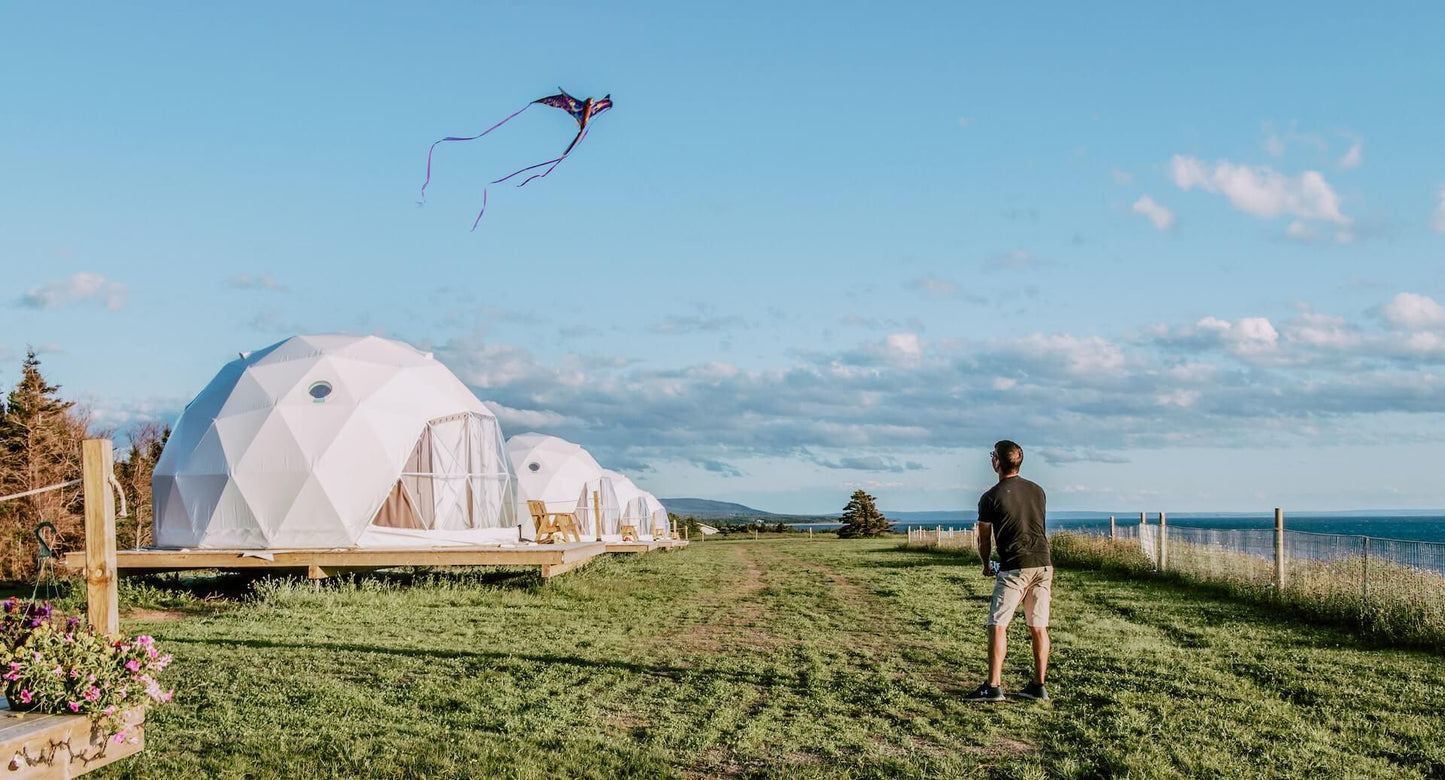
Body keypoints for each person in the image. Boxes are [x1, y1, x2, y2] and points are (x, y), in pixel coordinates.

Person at [965, 440, 1052, 702]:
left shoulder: (990, 497)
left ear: (997, 463)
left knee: (998, 624)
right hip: (1043, 563)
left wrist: (985, 564)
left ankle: (993, 686)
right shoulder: (1038, 491)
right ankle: (1038, 685)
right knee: (1038, 626)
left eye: (993, 455)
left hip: (1015, 566)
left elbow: (983, 538)